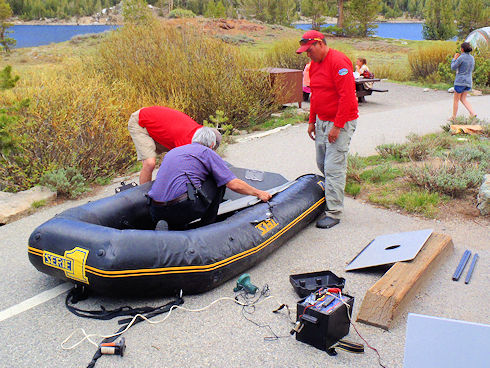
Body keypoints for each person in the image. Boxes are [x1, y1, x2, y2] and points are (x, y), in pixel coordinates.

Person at [147, 127, 272, 230]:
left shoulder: (173, 152)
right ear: (212, 144)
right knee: (220, 180)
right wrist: (258, 193)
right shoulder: (206, 152)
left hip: (156, 209)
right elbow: (233, 184)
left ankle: (173, 225)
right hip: (182, 207)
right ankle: (208, 227)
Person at [296, 30, 358, 229]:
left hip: (340, 122)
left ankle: (334, 211)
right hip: (322, 121)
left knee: (333, 167)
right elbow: (315, 94)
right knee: (322, 163)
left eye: (310, 49)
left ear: (320, 44)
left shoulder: (339, 62)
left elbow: (347, 97)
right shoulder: (314, 65)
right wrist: (311, 121)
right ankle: (333, 195)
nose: (308, 54)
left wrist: (338, 126)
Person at [128, 106, 222, 184]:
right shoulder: (186, 141)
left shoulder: (200, 134)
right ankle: (144, 196)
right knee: (150, 163)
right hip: (140, 121)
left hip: (158, 125)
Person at [450, 42, 476, 121]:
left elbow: (453, 67)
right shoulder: (472, 58)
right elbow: (472, 69)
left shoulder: (461, 57)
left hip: (460, 81)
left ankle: (454, 117)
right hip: (468, 81)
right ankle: (472, 113)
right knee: (463, 99)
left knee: (456, 100)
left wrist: (454, 59)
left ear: (462, 49)